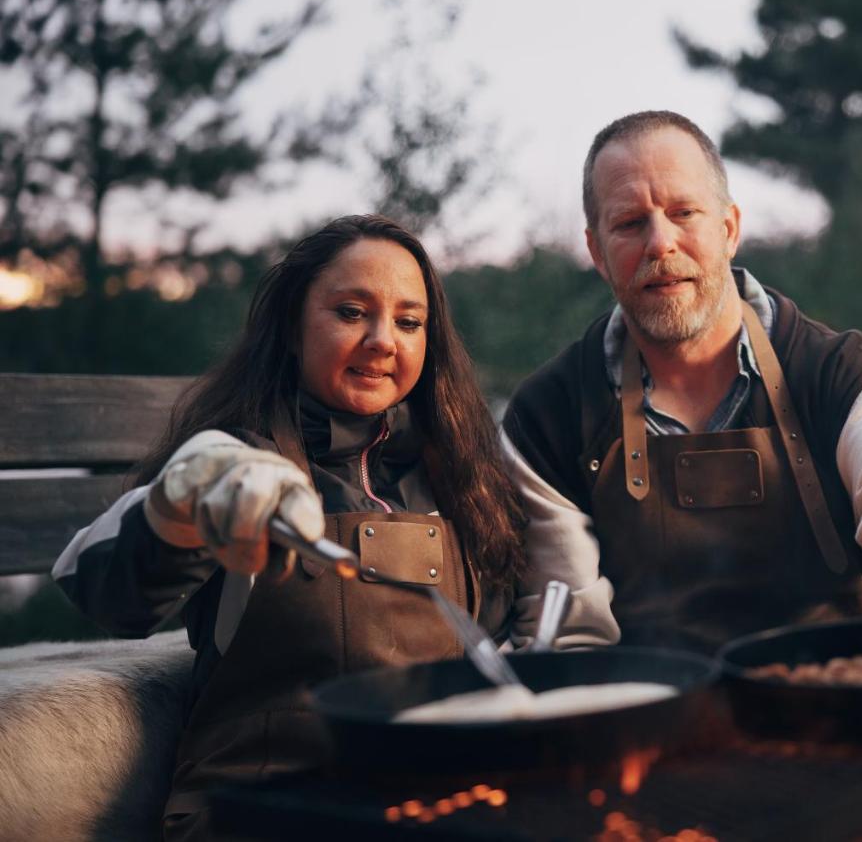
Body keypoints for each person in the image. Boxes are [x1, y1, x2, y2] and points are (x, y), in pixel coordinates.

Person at [52, 214, 525, 840]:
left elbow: (496, 640)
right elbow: (103, 592)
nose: (384, 339)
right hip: (262, 808)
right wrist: (178, 503)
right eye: (352, 312)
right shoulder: (233, 463)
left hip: (427, 803)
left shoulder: (457, 475)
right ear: (294, 329)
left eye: (409, 322)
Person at [501, 111, 862, 653]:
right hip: (657, 723)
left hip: (846, 706)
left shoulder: (834, 372)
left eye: (683, 212)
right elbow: (569, 635)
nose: (660, 243)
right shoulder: (548, 415)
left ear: (728, 229)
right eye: (629, 223)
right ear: (597, 252)